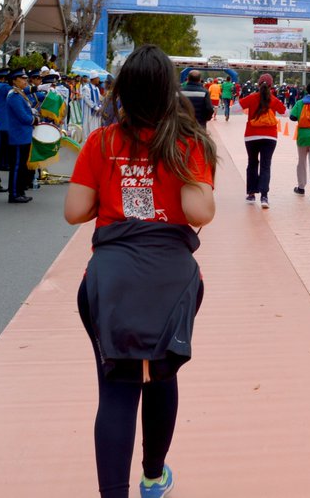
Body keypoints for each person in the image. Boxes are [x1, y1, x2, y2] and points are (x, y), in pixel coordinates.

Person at [64, 45, 217, 498]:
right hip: (170, 281)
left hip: (109, 281)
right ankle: (153, 478)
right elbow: (199, 212)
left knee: (116, 390)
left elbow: (75, 211)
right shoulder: (186, 143)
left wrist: (111, 194)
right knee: (159, 376)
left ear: (122, 91)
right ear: (170, 92)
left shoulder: (102, 141)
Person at [239, 73, 286, 209]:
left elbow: (236, 108)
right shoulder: (274, 100)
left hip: (251, 136)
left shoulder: (252, 97)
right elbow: (285, 112)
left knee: (252, 163)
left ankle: (251, 194)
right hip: (270, 137)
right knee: (266, 166)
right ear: (271, 86)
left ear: (258, 85)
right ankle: (264, 197)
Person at [5, 69, 36, 204]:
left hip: (23, 134)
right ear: (14, 81)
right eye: (22, 79)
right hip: (17, 135)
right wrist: (35, 119)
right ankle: (14, 193)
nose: (25, 81)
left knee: (22, 165)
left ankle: (20, 191)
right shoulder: (14, 96)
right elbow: (23, 116)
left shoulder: (20, 94)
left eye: (25, 79)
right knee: (17, 165)